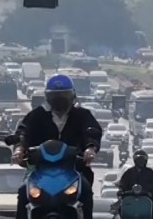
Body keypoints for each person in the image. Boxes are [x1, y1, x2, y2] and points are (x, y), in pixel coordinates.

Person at [12, 74, 102, 219]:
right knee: (23, 191)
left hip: (73, 169)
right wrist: (19, 148)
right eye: (55, 96)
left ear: (72, 96)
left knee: (85, 190)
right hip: (40, 170)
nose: (60, 99)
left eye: (64, 95)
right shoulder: (38, 115)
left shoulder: (82, 115)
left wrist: (90, 148)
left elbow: (91, 130)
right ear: (47, 97)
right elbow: (24, 131)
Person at [117, 150, 153, 216]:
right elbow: (122, 184)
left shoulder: (151, 173)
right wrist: (121, 191)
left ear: (146, 161)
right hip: (129, 200)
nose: (141, 161)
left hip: (147, 200)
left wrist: (152, 193)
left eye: (142, 159)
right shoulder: (129, 172)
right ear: (135, 160)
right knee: (119, 210)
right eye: (138, 159)